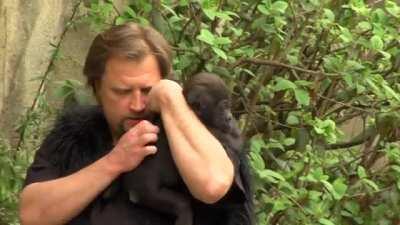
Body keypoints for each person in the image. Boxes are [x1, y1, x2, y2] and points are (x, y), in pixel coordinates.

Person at [19, 22, 250, 225]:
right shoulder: (76, 134)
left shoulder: (199, 129)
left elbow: (213, 185)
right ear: (96, 88)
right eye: (122, 92)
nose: (138, 104)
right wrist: (114, 162)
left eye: (148, 90)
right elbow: (32, 213)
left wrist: (170, 97)